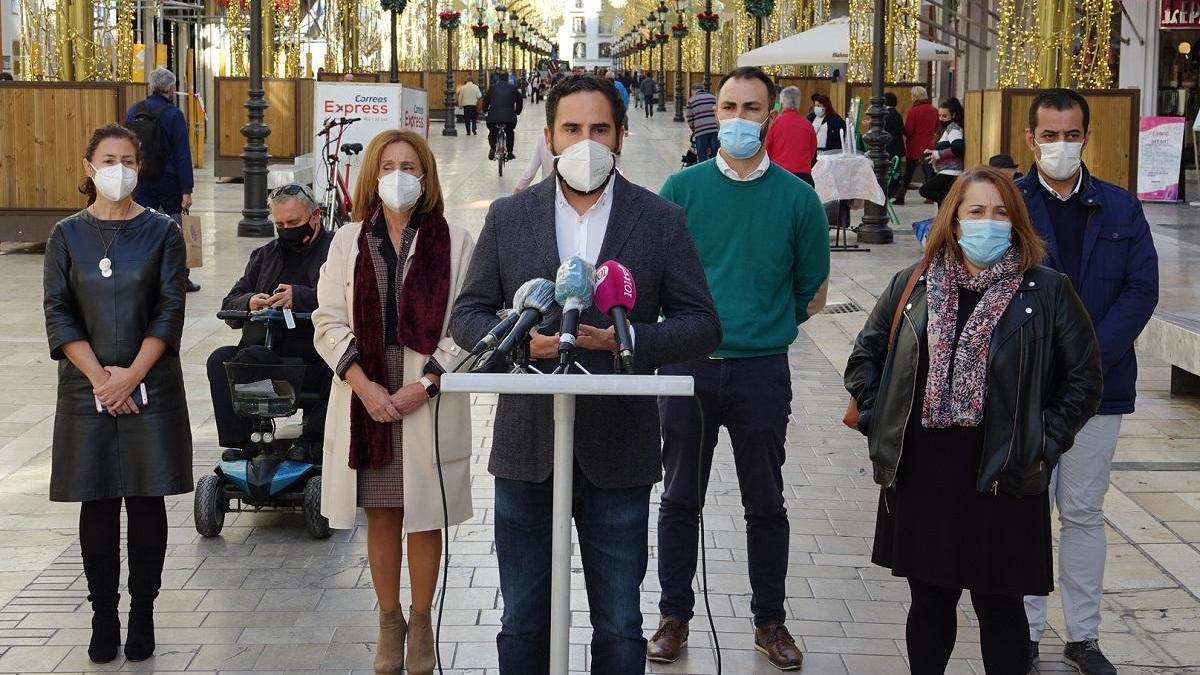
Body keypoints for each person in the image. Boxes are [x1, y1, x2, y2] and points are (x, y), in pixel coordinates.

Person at [449, 74, 721, 675]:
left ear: (621, 136)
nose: (586, 141)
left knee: (620, 625)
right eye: (572, 129)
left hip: (618, 448)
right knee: (522, 620)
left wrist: (624, 339)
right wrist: (523, 343)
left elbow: (702, 324)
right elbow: (467, 314)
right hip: (528, 448)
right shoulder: (509, 216)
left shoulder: (659, 219)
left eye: (600, 129)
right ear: (548, 135)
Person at [844, 166, 1103, 675]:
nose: (989, 222)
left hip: (1004, 474)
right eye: (976, 210)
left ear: (1017, 221)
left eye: (1001, 212)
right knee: (930, 603)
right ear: (955, 219)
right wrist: (882, 420)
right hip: (924, 472)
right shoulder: (914, 282)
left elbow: (1084, 380)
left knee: (1000, 606)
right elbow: (865, 358)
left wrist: (1041, 442)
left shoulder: (1047, 290)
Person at [650, 67, 829, 671]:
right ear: (713, 111)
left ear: (769, 116)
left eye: (751, 108)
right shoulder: (681, 189)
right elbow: (656, 280)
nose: (738, 118)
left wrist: (760, 329)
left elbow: (812, 291)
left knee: (766, 500)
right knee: (679, 497)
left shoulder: (798, 199)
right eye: (728, 105)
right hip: (687, 368)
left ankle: (770, 621)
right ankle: (673, 615)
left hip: (760, 371)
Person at [313, 129, 476, 675]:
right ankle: (389, 621)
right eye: (388, 166)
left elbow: (468, 325)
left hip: (424, 395)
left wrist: (425, 383)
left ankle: (423, 621)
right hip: (368, 396)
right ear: (372, 176)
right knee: (382, 514)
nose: (398, 176)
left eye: (410, 166)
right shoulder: (347, 240)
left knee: (424, 516)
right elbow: (328, 320)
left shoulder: (455, 242)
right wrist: (364, 386)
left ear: (426, 176)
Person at [1018, 88, 1160, 675]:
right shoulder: (1008, 204)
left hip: (1098, 390)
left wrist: (1087, 358)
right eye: (1048, 136)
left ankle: (1083, 636)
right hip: (1026, 387)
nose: (1059, 145)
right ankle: (1022, 632)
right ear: (1030, 139)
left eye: (1070, 134)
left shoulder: (1122, 208)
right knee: (1025, 510)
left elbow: (1141, 290)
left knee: (1081, 511)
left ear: (1086, 136)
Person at [44, 124, 192, 664]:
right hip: (87, 390)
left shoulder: (162, 233)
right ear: (89, 167)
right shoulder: (66, 235)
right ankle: (103, 613)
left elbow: (170, 307)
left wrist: (131, 375)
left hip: (149, 383)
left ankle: (144, 611)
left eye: (128, 160)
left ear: (140, 167)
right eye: (109, 159)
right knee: (99, 499)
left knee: (146, 498)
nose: (119, 169)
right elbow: (58, 312)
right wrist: (102, 380)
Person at [207, 183, 333, 464]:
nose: (287, 229)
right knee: (221, 359)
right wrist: (251, 301)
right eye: (280, 224)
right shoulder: (265, 256)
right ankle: (243, 443)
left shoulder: (335, 251)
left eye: (294, 222)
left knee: (336, 365)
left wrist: (298, 297)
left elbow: (348, 297)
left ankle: (312, 440)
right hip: (265, 352)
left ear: (315, 216)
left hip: (312, 358)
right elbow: (231, 302)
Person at [124, 67, 199, 292]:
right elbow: (182, 154)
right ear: (171, 89)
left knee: (140, 226)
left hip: (142, 177)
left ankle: (139, 274)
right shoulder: (173, 115)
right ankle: (180, 277)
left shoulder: (134, 110)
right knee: (177, 228)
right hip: (169, 180)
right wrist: (186, 189)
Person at [764, 85, 819, 186]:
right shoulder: (808, 125)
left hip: (779, 175)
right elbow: (812, 151)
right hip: (804, 178)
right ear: (798, 103)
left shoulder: (775, 124)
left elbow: (766, 150)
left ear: (781, 103)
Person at [894, 85, 938, 205]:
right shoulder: (934, 110)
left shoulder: (913, 111)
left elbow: (909, 130)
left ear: (915, 96)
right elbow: (936, 127)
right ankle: (931, 196)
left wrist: (902, 130)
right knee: (929, 172)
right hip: (929, 144)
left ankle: (900, 197)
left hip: (915, 145)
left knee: (908, 172)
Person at [918, 97, 965, 209]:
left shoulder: (953, 128)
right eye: (939, 116)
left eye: (945, 116)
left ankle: (952, 202)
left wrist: (938, 154)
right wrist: (934, 152)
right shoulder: (947, 128)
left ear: (953, 115)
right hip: (945, 171)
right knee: (941, 206)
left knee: (925, 190)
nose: (941, 119)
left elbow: (958, 147)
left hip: (950, 171)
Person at [484, 69, 522, 161]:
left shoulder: (492, 88)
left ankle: (493, 148)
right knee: (510, 133)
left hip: (493, 117)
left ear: (498, 78)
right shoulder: (513, 88)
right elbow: (519, 101)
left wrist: (485, 110)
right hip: (509, 118)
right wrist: (517, 111)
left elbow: (486, 101)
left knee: (492, 133)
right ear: (507, 78)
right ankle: (509, 153)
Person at [685, 83, 719, 163]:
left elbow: (690, 118)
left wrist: (694, 130)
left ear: (693, 90)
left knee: (702, 155)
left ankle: (704, 172)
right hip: (715, 129)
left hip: (700, 131)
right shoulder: (713, 98)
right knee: (715, 155)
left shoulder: (691, 100)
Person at [884, 91, 906, 176]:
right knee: (896, 167)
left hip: (888, 146)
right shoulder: (897, 114)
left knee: (888, 169)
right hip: (897, 145)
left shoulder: (885, 114)